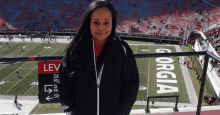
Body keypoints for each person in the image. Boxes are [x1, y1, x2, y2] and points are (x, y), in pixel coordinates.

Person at [57, 0, 139, 115]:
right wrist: (70, 111)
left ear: (113, 23)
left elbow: (131, 84)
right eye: (96, 22)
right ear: (89, 23)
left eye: (106, 23)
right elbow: (64, 84)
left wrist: (123, 112)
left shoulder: (123, 50)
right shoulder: (75, 50)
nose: (101, 28)